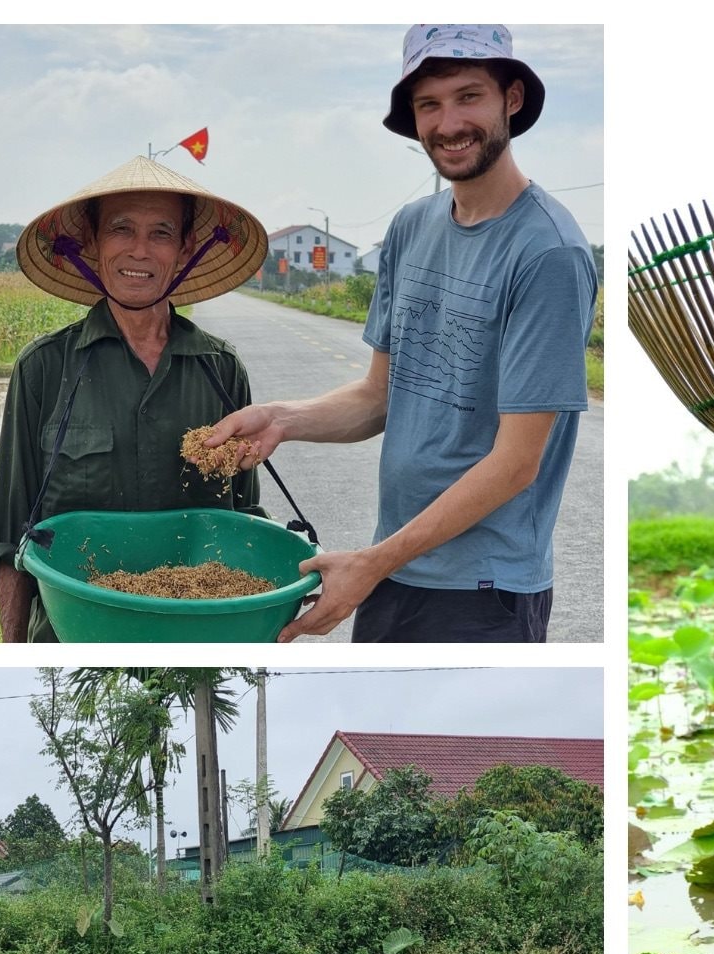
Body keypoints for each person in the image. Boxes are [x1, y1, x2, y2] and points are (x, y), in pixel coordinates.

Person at [207, 24, 599, 643]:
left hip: (484, 589)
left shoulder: (548, 252)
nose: (448, 123)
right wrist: (281, 418)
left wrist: (374, 562)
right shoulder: (411, 227)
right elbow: (379, 396)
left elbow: (518, 462)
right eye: (429, 105)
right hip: (397, 564)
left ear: (513, 99)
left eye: (469, 96)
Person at [0, 156, 269, 642]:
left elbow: (245, 522)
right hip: (73, 630)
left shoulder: (220, 371)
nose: (140, 251)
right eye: (121, 229)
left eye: (161, 233)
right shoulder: (45, 369)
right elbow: (13, 539)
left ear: (184, 249)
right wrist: (13, 652)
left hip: (193, 633)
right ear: (93, 244)